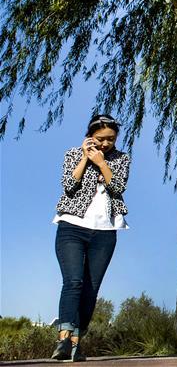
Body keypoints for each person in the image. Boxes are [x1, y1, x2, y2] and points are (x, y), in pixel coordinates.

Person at [51, 115, 131, 362]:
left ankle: (77, 340)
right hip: (72, 227)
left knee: (91, 288)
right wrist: (87, 159)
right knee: (73, 282)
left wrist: (102, 163)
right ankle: (63, 338)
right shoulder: (73, 153)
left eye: (111, 139)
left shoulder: (122, 159)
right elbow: (68, 186)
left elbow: (118, 187)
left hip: (105, 231)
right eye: (100, 139)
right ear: (90, 135)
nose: (106, 143)